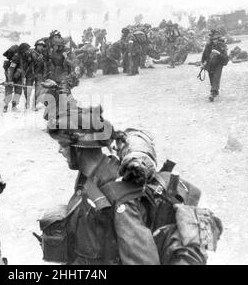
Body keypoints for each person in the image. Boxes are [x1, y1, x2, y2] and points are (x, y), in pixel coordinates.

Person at [37, 105, 222, 265]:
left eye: (62, 144)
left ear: (81, 147)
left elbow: (142, 260)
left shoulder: (121, 197)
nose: (59, 150)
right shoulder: (87, 176)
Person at [201, 29, 229, 101]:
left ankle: (213, 93)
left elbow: (226, 58)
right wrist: (202, 63)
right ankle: (215, 91)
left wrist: (218, 53)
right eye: (213, 39)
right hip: (210, 64)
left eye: (216, 39)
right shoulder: (208, 45)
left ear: (218, 38)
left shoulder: (222, 45)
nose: (215, 40)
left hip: (219, 64)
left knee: (216, 77)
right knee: (211, 78)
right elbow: (204, 55)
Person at [2, 44, 24, 113]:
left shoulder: (22, 56)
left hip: (18, 76)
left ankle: (14, 106)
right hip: (11, 75)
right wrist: (10, 80)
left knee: (18, 91)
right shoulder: (16, 57)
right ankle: (5, 107)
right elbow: (11, 69)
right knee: (9, 91)